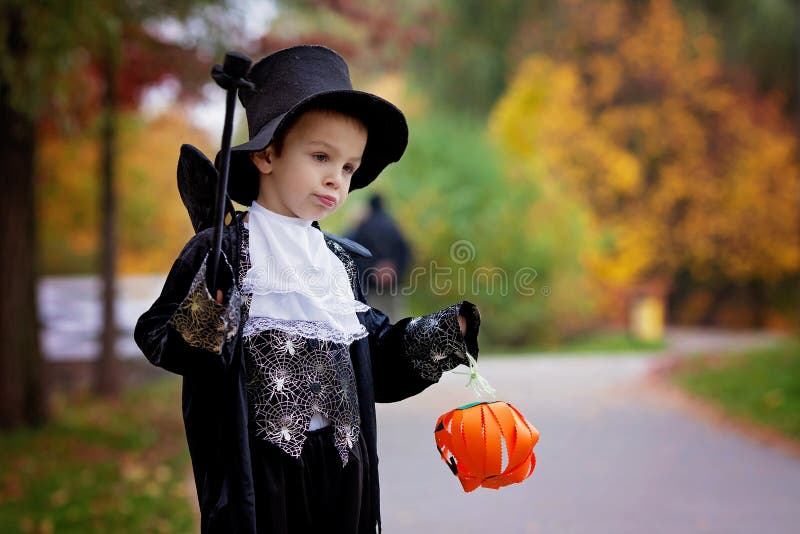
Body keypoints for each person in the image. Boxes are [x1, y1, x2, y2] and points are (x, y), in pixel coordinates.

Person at [134, 45, 480, 534]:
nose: (335, 180)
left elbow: (375, 360)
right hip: (261, 476)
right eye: (321, 156)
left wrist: (447, 332)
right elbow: (157, 338)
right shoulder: (225, 249)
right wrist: (208, 315)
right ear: (267, 154)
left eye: (347, 168)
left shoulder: (334, 263)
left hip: (342, 469)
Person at [347, 193, 411, 321]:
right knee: (395, 316)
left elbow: (356, 253)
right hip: (394, 284)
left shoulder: (364, 226)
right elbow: (405, 252)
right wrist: (395, 271)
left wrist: (372, 271)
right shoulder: (393, 225)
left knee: (374, 317)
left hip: (371, 285)